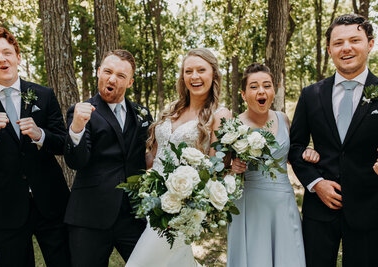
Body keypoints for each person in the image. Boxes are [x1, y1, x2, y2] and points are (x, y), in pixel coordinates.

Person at [126, 48, 231, 267]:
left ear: (213, 74)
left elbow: (214, 170)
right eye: (188, 71)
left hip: (182, 208)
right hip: (152, 200)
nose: (194, 76)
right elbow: (152, 156)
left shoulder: (220, 115)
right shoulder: (172, 109)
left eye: (201, 70)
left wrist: (186, 207)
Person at [289, 13, 378, 267]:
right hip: (319, 212)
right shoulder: (311, 94)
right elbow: (295, 147)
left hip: (370, 209)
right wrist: (316, 183)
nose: (346, 48)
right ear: (329, 49)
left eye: (354, 40)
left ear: (369, 44)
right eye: (338, 43)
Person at [0, 26, 70, 267]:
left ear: (18, 56)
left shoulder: (44, 94)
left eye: (7, 52)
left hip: (51, 201)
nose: (1, 59)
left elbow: (63, 144)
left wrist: (41, 135)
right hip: (4, 208)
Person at [64, 49, 152, 267]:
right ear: (98, 72)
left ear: (130, 82)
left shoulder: (142, 113)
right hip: (89, 217)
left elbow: (146, 157)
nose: (112, 78)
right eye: (108, 71)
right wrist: (76, 128)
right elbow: (76, 162)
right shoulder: (81, 111)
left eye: (121, 76)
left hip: (133, 215)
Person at [228, 63, 320, 267]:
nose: (261, 90)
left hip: (283, 202)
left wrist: (308, 151)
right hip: (249, 204)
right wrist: (233, 167)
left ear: (273, 90)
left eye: (266, 85)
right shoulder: (233, 125)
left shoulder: (284, 119)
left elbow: (294, 152)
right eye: (253, 86)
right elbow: (222, 166)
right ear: (243, 94)